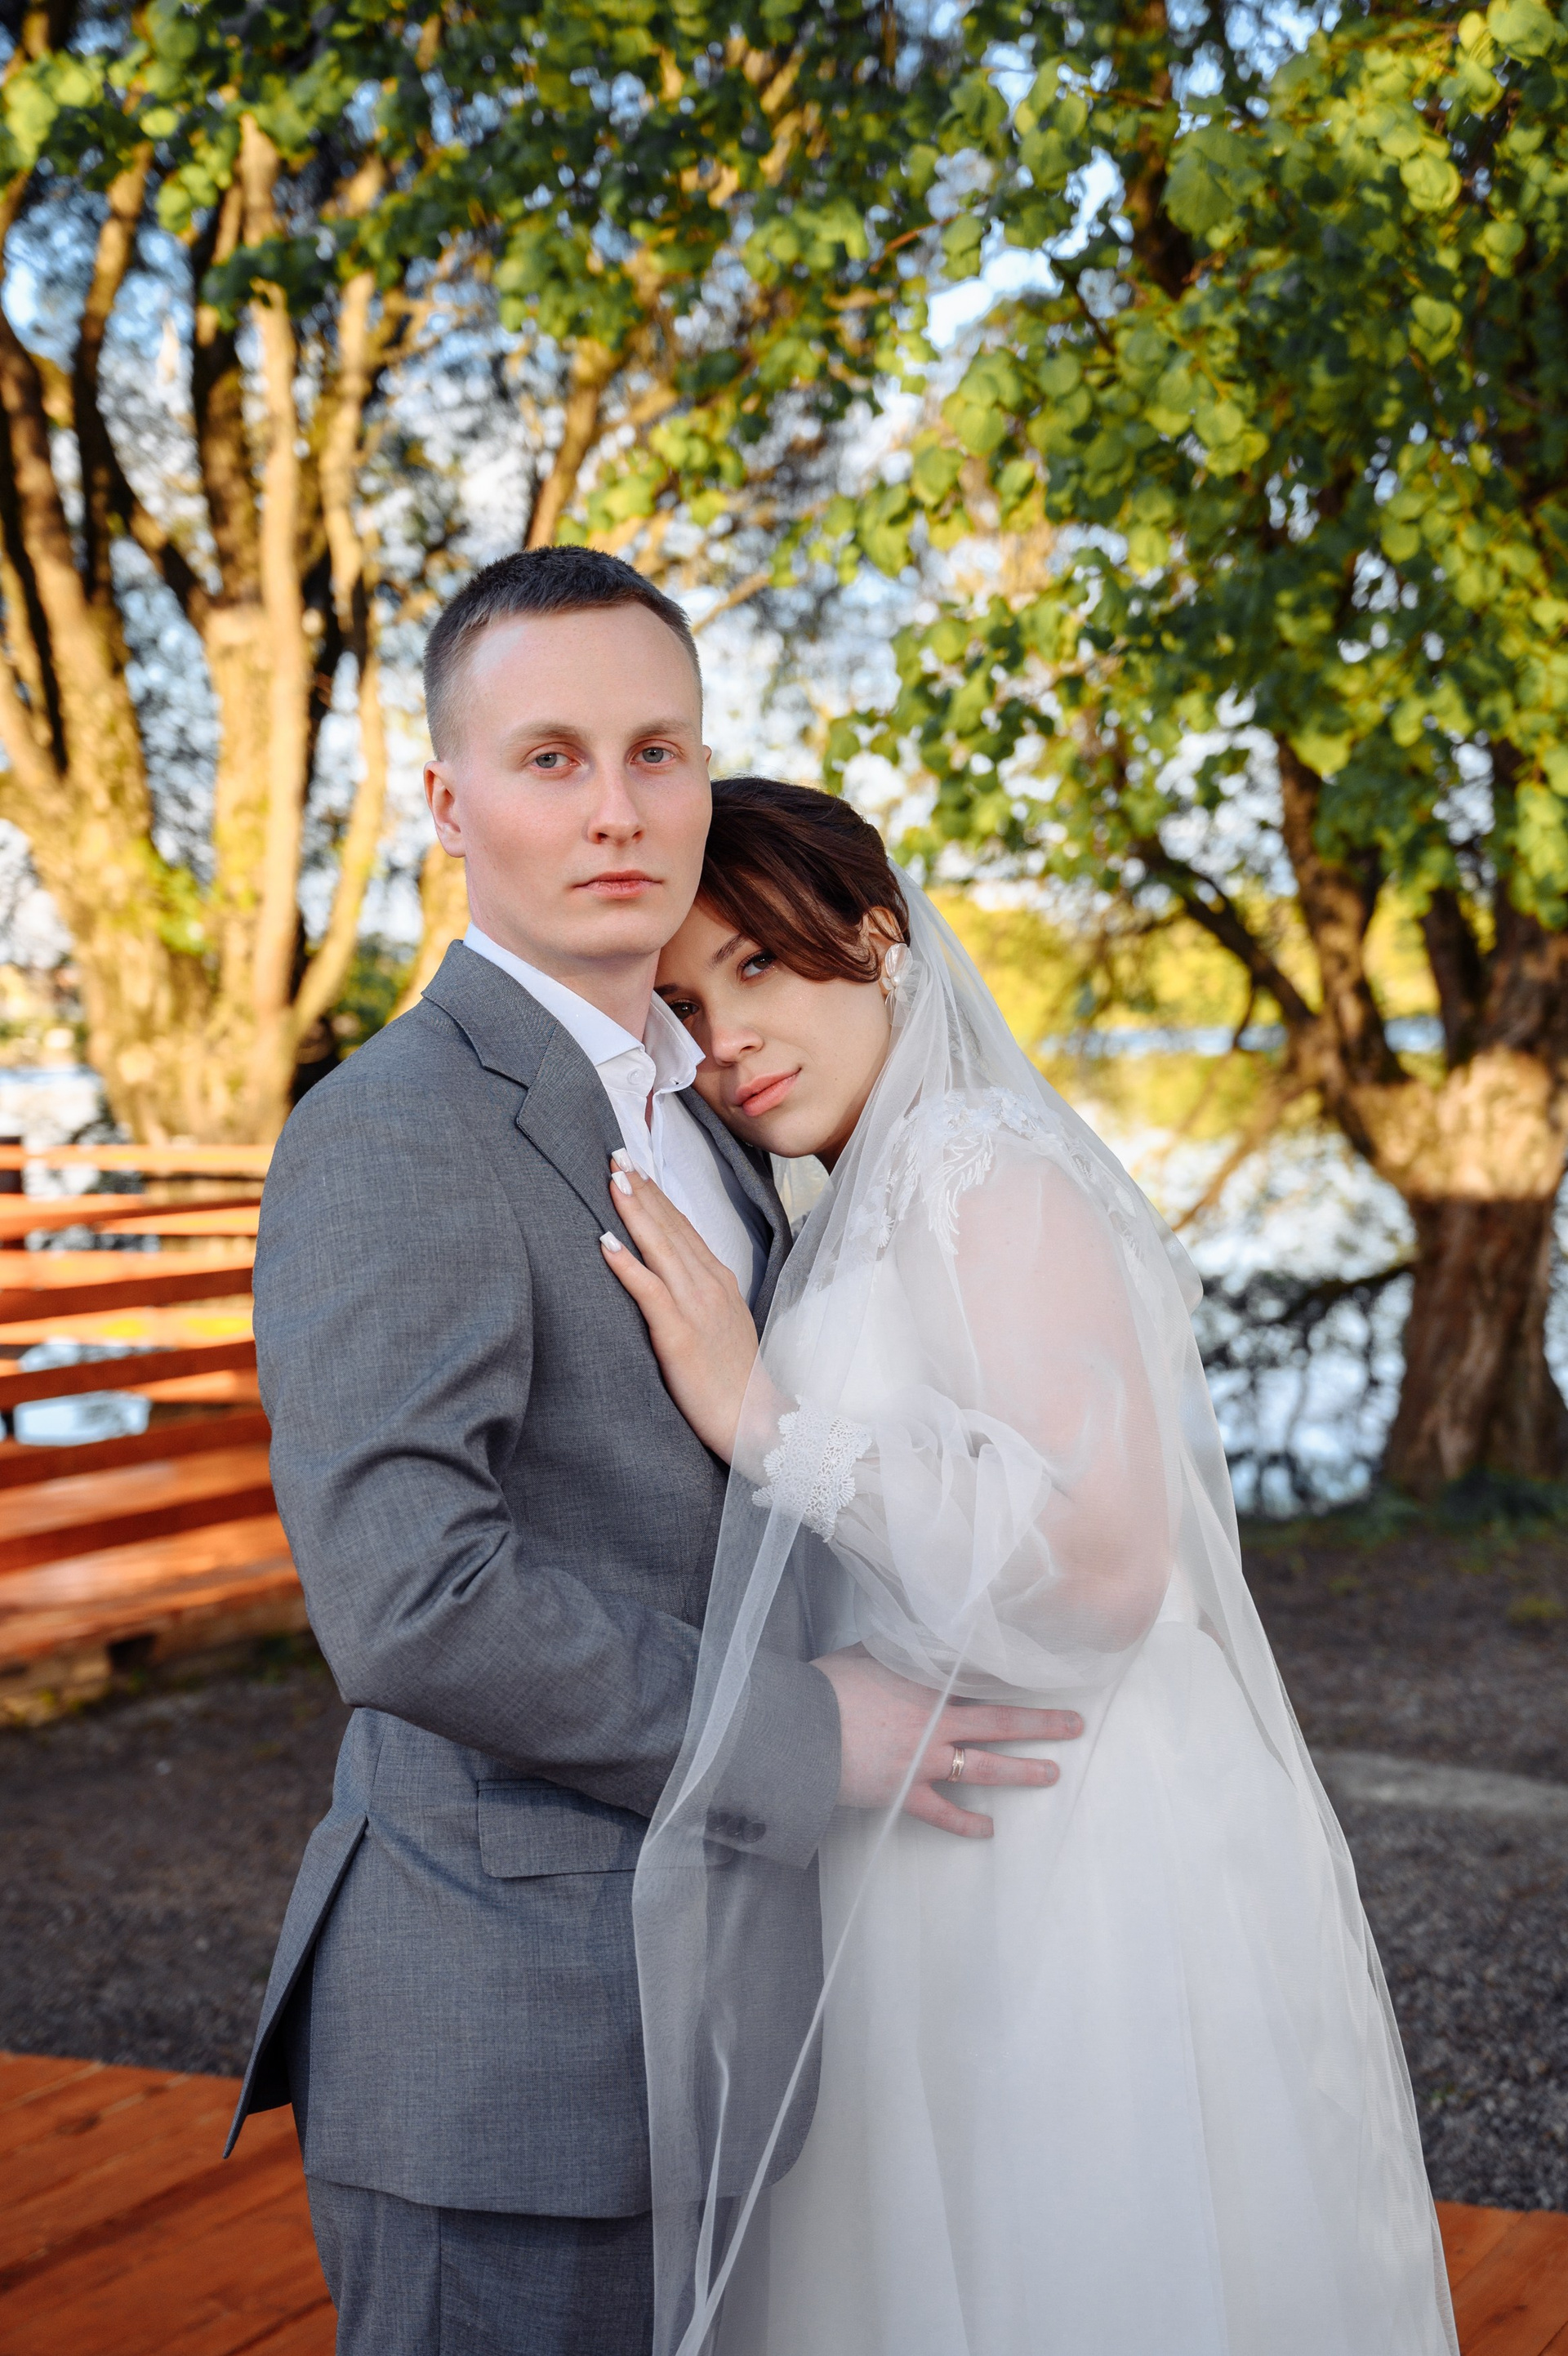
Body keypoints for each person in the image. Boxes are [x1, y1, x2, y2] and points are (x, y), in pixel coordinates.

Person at [225, 551, 1080, 2356]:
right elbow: (410, 1597)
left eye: (657, 752)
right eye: (550, 758)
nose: (616, 809)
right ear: (446, 801)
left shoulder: (723, 1117)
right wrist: (812, 1732)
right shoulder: (395, 1131)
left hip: (740, 2016)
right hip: (509, 2042)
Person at [603, 777, 1460, 2356]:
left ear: (878, 934)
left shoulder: (978, 1162)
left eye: (757, 964)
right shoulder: (857, 1190)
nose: (725, 1040)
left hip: (1068, 1825)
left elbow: (1105, 1560)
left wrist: (762, 1418)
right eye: (688, 1005)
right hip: (929, 1802)